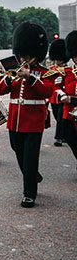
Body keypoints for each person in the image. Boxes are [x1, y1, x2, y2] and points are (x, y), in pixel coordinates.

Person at [0, 22, 55, 208]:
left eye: (27, 55)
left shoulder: (45, 73)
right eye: (22, 54)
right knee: (17, 150)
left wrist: (29, 77)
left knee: (30, 157)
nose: (23, 58)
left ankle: (29, 194)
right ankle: (33, 175)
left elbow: (47, 92)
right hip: (15, 119)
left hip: (34, 120)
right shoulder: (14, 69)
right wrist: (8, 77)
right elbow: (0, 90)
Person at [57, 31, 77, 162]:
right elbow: (56, 87)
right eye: (75, 56)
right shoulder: (66, 72)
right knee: (71, 139)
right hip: (69, 113)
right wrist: (63, 94)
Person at [47, 39, 68, 147]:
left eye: (58, 59)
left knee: (60, 118)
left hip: (62, 96)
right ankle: (63, 135)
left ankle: (58, 137)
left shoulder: (67, 70)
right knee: (56, 116)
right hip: (53, 97)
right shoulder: (52, 69)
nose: (56, 61)